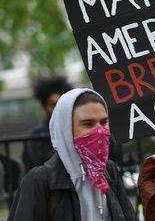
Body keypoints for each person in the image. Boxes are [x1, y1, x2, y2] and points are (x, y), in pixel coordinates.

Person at [9, 89, 137, 221]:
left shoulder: (109, 171)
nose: (100, 131)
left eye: (104, 122)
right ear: (66, 129)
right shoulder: (39, 181)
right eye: (88, 124)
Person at [23, 76, 72, 171]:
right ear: (44, 107)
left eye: (61, 103)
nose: (57, 108)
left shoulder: (75, 129)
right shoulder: (38, 134)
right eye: (53, 104)